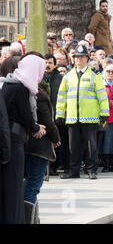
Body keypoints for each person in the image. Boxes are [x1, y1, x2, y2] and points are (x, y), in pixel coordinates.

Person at [0, 55, 46, 224]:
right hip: (15, 140)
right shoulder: (21, 88)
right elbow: (26, 116)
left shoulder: (9, 84)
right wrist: (36, 127)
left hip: (8, 139)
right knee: (15, 187)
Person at [56, 44, 110, 180]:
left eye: (81, 57)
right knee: (73, 146)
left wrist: (104, 113)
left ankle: (91, 170)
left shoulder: (94, 75)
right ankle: (73, 171)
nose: (78, 59)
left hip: (90, 117)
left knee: (90, 146)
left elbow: (102, 96)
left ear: (87, 58)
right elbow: (61, 96)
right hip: (73, 117)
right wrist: (59, 114)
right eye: (76, 57)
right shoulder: (68, 76)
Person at [24, 79, 61, 223]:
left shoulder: (23, 89)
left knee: (27, 184)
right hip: (39, 146)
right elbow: (47, 120)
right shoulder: (37, 93)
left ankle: (32, 219)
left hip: (25, 144)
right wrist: (56, 138)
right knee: (33, 186)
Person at [43, 54, 64, 176]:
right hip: (44, 115)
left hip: (56, 115)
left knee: (57, 142)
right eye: (46, 62)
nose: (47, 65)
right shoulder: (39, 77)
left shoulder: (60, 78)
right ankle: (47, 167)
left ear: (55, 64)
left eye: (50, 62)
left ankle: (54, 166)